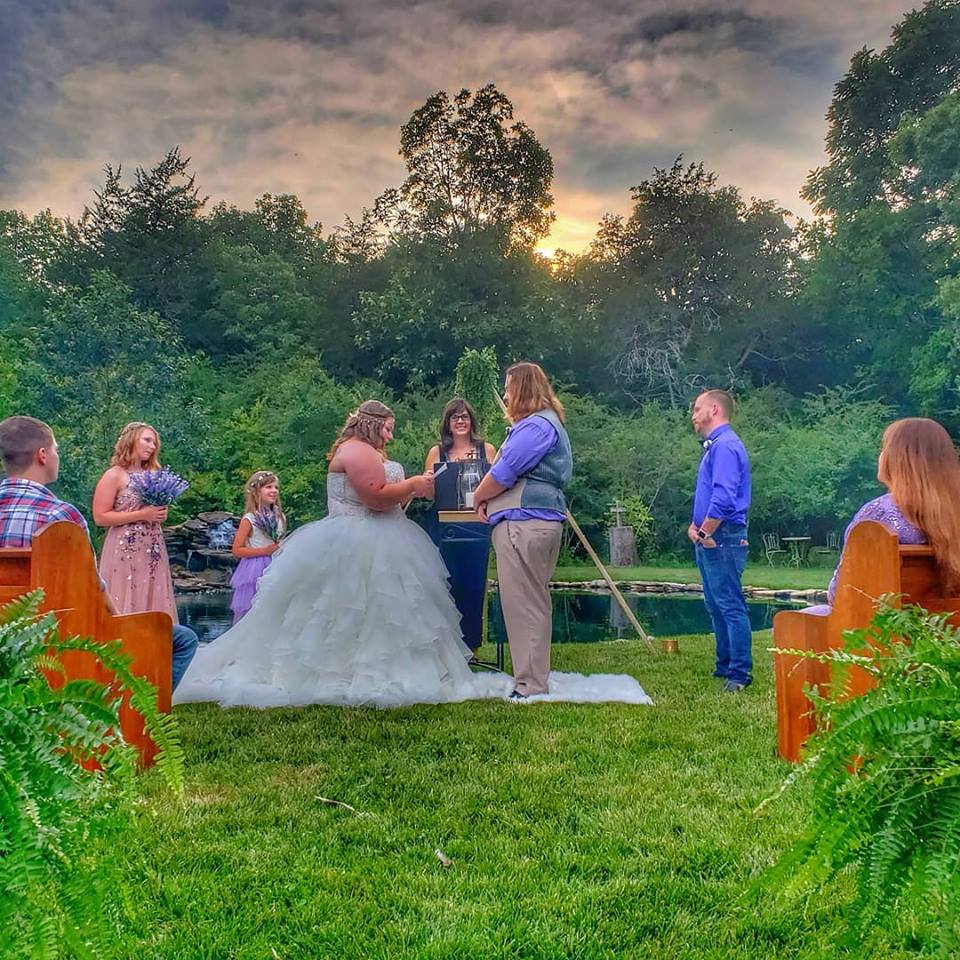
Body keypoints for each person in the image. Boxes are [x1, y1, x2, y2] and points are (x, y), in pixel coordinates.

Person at [174, 401, 493, 708]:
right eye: (388, 429)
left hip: (388, 534)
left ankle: (400, 666)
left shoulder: (371, 451)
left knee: (390, 610)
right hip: (356, 537)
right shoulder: (355, 450)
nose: (391, 436)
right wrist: (411, 484)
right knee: (343, 608)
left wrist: (412, 491)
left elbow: (388, 500)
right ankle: (342, 670)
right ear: (373, 424)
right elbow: (375, 498)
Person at [0, 415, 197, 689]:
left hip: (8, 635)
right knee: (183, 639)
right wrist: (118, 622)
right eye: (57, 449)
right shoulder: (62, 516)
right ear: (42, 455)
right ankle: (139, 709)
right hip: (59, 634)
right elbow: (93, 587)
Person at [473, 362, 572, 700]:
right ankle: (532, 678)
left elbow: (504, 471)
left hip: (524, 524)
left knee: (523, 604)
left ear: (524, 389)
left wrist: (479, 496)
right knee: (531, 602)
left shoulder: (536, 427)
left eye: (509, 387)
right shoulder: (542, 424)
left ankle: (529, 685)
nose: (505, 394)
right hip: (532, 521)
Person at [808, 418, 960, 614]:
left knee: (805, 617)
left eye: (883, 448)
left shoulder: (879, 514)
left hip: (884, 632)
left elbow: (840, 594)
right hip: (945, 632)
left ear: (895, 458)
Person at [688, 389, 752, 692]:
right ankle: (724, 665)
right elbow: (708, 494)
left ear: (714, 409)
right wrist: (694, 525)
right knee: (715, 603)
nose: (693, 415)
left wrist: (705, 531)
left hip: (723, 537)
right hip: (713, 535)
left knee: (729, 604)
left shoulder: (725, 446)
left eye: (697, 409)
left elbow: (725, 498)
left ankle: (739, 675)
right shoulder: (715, 447)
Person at [424, 398, 497, 652]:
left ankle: (472, 645)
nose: (460, 421)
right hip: (443, 525)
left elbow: (497, 484)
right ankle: (446, 646)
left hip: (476, 525)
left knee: (473, 583)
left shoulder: (486, 450)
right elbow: (430, 493)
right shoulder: (437, 452)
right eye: (455, 417)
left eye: (465, 416)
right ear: (447, 423)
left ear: (472, 421)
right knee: (445, 582)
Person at [93, 422, 178, 621]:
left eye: (155, 443)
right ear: (131, 440)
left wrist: (160, 513)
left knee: (154, 593)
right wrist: (142, 515)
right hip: (124, 548)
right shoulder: (114, 475)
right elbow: (100, 517)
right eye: (147, 440)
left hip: (153, 547)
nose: (152, 446)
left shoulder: (154, 476)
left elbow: (153, 512)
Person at [230, 470, 286, 623]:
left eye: (276, 487)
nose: (274, 491)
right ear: (256, 491)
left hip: (276, 565)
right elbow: (237, 549)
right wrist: (264, 551)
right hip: (255, 567)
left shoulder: (280, 517)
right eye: (268, 487)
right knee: (253, 609)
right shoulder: (250, 519)